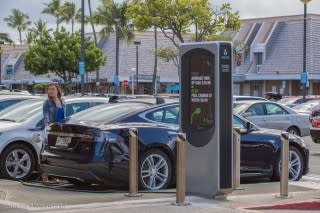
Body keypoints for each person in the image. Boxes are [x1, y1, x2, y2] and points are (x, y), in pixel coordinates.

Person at [42, 83, 65, 184]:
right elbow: (46, 115)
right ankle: (45, 177)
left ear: (57, 90)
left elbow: (65, 116)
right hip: (51, 130)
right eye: (49, 89)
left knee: (57, 154)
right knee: (47, 153)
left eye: (52, 89)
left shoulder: (63, 101)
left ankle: (54, 176)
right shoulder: (47, 102)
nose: (50, 91)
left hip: (61, 131)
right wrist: (47, 127)